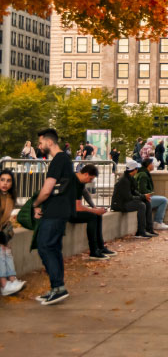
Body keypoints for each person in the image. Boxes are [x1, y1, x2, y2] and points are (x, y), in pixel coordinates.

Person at [31, 128, 75, 305]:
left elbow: (47, 189)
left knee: (45, 246)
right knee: (53, 248)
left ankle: (58, 288)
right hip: (60, 211)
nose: (39, 146)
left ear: (49, 142)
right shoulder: (65, 159)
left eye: (40, 143)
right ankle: (57, 288)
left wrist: (35, 204)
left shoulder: (58, 159)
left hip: (55, 211)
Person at [71, 163, 117, 260]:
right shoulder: (73, 182)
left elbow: (85, 193)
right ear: (86, 174)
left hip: (70, 210)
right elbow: (77, 207)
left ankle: (100, 247)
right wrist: (94, 211)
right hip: (64, 213)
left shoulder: (79, 180)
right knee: (92, 216)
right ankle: (93, 251)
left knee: (97, 215)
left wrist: (94, 207)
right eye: (90, 179)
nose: (89, 181)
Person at [111, 159, 156, 239]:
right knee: (141, 205)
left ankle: (149, 229)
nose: (137, 170)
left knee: (146, 202)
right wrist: (142, 197)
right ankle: (140, 232)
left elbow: (133, 191)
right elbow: (128, 197)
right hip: (119, 204)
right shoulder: (124, 180)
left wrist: (143, 196)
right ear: (134, 170)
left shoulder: (129, 178)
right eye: (137, 169)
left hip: (124, 202)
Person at [0, 168, 26, 296]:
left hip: (1, 231)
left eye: (8, 181)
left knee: (7, 251)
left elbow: (5, 221)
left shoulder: (10, 197)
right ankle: (4, 285)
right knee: (1, 251)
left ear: (12, 183)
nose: (5, 183)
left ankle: (12, 279)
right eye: (2, 180)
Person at [135, 158, 168, 230]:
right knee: (164, 200)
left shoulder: (142, 173)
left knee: (163, 199)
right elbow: (142, 189)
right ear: (149, 165)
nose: (154, 165)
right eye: (152, 164)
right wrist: (150, 193)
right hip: (143, 199)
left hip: (141, 198)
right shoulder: (143, 175)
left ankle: (158, 222)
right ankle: (158, 222)